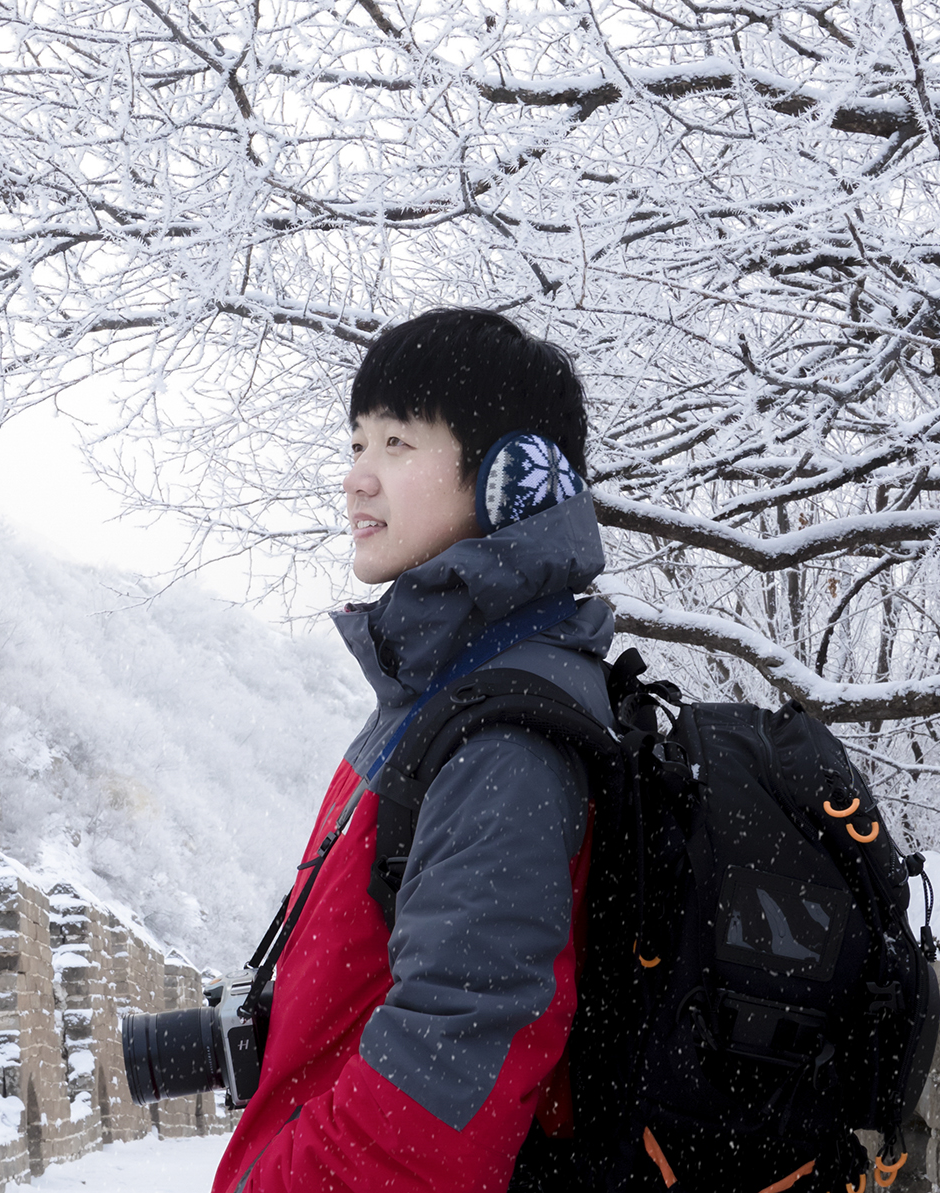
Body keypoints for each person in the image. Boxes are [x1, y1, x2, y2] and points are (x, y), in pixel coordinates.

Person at [212, 308, 613, 1193]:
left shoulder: (503, 737)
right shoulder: (435, 695)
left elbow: (430, 1115)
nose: (356, 479)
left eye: (396, 442)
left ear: (513, 476)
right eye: (356, 443)